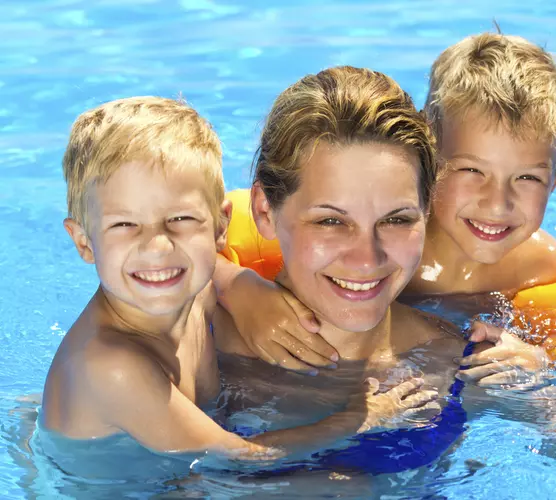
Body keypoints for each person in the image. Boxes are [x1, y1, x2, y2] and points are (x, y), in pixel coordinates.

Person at [210, 66, 556, 496]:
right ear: (265, 212)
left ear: (427, 209)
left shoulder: (461, 365)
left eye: (397, 219)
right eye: (330, 221)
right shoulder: (196, 346)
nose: (367, 258)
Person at [212, 31, 556, 374]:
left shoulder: (541, 269)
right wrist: (239, 288)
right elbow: (187, 243)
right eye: (472, 171)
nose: (497, 204)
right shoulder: (335, 220)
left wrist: (539, 361)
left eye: (527, 178)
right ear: (430, 159)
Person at [40, 96, 437, 465]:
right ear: (83, 241)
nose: (158, 247)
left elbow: (217, 275)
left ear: (220, 226)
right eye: (125, 225)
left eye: (180, 220)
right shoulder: (112, 367)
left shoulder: (192, 294)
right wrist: (360, 419)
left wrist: (244, 286)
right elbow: (237, 456)